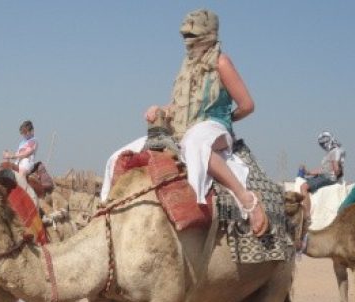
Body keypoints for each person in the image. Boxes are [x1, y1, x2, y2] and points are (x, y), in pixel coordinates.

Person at [103, 9, 267, 236]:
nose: (188, 41)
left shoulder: (221, 62)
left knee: (195, 145)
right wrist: (160, 109)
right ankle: (107, 213)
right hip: (183, 129)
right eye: (185, 36)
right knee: (120, 156)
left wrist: (224, 118)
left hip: (213, 127)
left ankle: (247, 200)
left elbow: (247, 104)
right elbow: (177, 107)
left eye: (193, 35)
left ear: (208, 34)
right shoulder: (186, 67)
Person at [300, 131, 345, 215]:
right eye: (322, 144)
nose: (323, 146)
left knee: (303, 187)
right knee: (304, 181)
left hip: (328, 178)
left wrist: (336, 175)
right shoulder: (331, 152)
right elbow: (322, 170)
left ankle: (306, 214)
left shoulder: (335, 151)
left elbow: (336, 168)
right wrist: (308, 172)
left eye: (324, 143)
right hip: (325, 176)